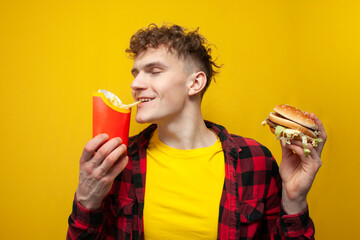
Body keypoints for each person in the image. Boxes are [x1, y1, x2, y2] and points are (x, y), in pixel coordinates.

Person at [67, 24, 327, 240]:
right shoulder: (117, 161)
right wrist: (87, 199)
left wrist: (294, 200)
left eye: (154, 71)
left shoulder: (255, 160)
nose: (135, 84)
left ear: (195, 83)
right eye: (135, 74)